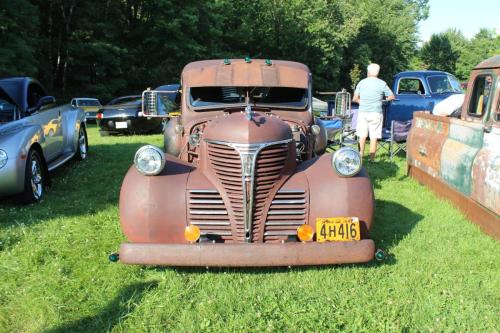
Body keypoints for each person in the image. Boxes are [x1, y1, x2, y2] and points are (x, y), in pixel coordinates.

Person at [352, 63, 395, 161]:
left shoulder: (361, 82)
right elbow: (392, 96)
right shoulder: (382, 83)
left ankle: (360, 157)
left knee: (362, 136)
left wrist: (362, 102)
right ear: (378, 72)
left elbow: (355, 99)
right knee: (374, 136)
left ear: (368, 72)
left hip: (363, 112)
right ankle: (372, 159)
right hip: (376, 113)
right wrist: (386, 99)